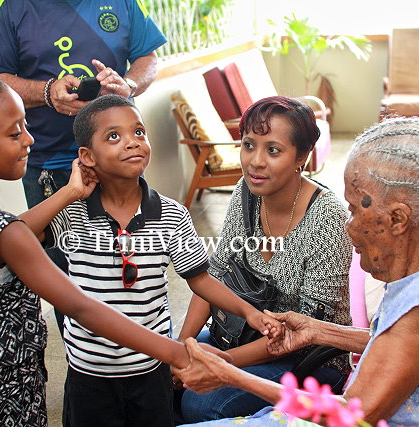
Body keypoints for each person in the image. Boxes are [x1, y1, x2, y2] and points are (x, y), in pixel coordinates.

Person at [0, 69, 209, 426]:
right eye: (15, 132)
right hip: (13, 398)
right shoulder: (3, 232)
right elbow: (81, 307)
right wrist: (178, 353)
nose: (29, 140)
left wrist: (68, 192)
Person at [173, 117, 419, 427]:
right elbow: (401, 347)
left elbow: (352, 415)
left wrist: (230, 375)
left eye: (353, 209)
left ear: (398, 219)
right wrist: (320, 331)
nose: (348, 226)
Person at [17, 94, 282, 426]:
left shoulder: (171, 214)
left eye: (139, 132)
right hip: (89, 374)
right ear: (87, 156)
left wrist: (250, 313)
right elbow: (12, 237)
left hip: (151, 368)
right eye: (114, 136)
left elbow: (200, 280)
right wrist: (69, 192)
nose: (132, 142)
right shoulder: (72, 212)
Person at [0, 0, 167, 334]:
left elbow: (148, 58)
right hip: (47, 166)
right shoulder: (13, 7)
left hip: (118, 160)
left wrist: (129, 84)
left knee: (135, 262)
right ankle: (83, 354)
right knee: (65, 276)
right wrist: (45, 92)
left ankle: (148, 345)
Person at [175, 96, 352, 422]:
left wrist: (221, 363)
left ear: (301, 157)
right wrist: (182, 348)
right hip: (243, 332)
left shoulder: (327, 218)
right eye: (248, 145)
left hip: (308, 358)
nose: (255, 162)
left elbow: (304, 333)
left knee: (202, 401)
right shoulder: (246, 192)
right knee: (159, 364)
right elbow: (214, 274)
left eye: (273, 150)